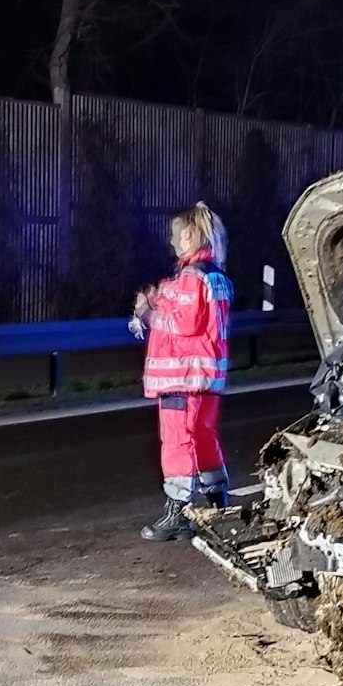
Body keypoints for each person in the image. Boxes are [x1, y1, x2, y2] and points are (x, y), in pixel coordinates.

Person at [130, 202, 233, 541]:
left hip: (183, 379)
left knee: (177, 441)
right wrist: (160, 299)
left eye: (176, 236)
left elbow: (183, 325)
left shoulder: (192, 277)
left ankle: (178, 514)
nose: (172, 242)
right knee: (202, 437)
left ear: (189, 236)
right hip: (205, 378)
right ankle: (219, 504)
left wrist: (147, 313)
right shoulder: (213, 276)